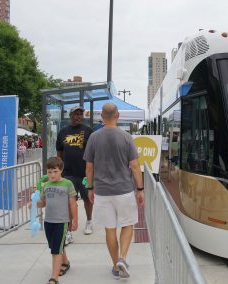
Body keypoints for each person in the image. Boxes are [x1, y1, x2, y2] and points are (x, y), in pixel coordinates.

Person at [83, 103, 144, 280]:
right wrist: (140, 189)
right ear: (117, 116)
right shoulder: (126, 137)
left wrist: (90, 188)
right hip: (124, 190)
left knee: (110, 229)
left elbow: (88, 167)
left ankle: (115, 267)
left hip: (102, 192)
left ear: (102, 116)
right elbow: (135, 166)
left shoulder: (94, 137)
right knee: (127, 224)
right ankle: (122, 259)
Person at [29, 157, 78, 284]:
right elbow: (44, 202)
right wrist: (34, 204)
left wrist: (75, 221)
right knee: (56, 245)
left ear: (61, 170)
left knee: (55, 250)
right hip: (48, 221)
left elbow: (73, 204)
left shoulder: (67, 184)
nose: (52, 174)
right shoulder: (46, 185)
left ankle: (54, 278)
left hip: (61, 222)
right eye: (49, 172)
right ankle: (65, 263)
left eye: (55, 171)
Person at [56, 105, 94, 240]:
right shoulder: (62, 132)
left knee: (87, 199)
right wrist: (58, 170)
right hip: (68, 174)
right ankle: (68, 231)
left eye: (80, 114)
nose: (78, 116)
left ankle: (89, 221)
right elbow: (59, 152)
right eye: (76, 114)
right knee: (69, 202)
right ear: (70, 116)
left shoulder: (89, 131)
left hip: (85, 174)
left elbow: (93, 152)